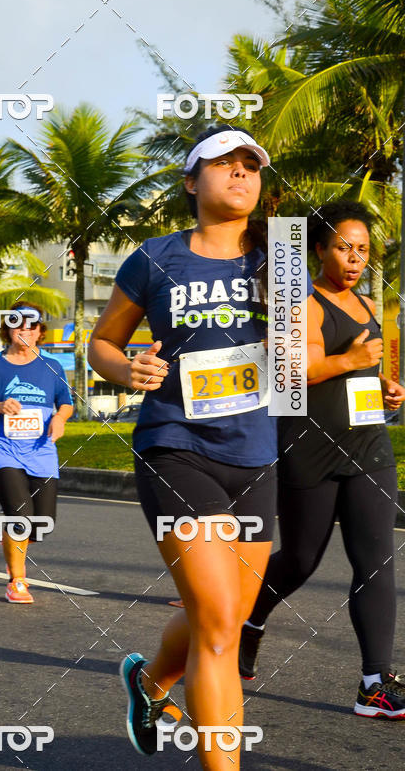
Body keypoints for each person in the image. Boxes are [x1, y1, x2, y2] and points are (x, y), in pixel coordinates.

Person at [88, 125, 279, 769]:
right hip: (176, 445)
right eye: (223, 164)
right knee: (220, 627)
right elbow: (103, 342)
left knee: (220, 619)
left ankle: (149, 682)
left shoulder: (278, 260)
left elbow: (307, 353)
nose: (240, 175)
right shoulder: (155, 257)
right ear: (192, 181)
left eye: (250, 166)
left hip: (255, 455)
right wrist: (126, 370)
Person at [239, 200, 405, 719]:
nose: (354, 258)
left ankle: (374, 683)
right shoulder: (303, 302)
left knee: (376, 562)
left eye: (361, 249)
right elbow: (294, 375)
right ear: (318, 250)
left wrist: (383, 386)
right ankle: (251, 617)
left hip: (369, 446)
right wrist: (353, 360)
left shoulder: (364, 305)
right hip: (310, 447)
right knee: (301, 560)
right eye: (342, 247)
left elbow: (357, 370)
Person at [0, 303, 73, 604]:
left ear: (40, 331)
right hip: (3, 450)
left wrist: (59, 418)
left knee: (42, 524)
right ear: (8, 329)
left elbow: (65, 402)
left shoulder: (53, 366)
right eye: (17, 323)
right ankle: (17, 580)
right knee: (20, 516)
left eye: (32, 324)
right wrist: (0, 406)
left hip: (41, 452)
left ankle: (13, 548)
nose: (24, 329)